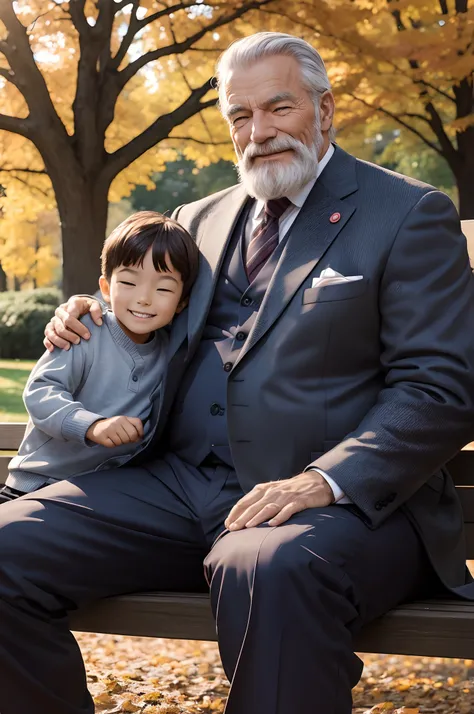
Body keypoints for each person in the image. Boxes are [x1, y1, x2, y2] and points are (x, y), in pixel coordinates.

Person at [1, 31, 474, 714]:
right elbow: (144, 305)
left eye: (279, 109)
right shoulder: (198, 218)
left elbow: (440, 389)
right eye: (240, 117)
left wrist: (323, 480)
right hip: (179, 485)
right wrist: (88, 311)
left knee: (264, 566)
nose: (260, 133)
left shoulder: (405, 213)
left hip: (337, 503)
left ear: (325, 110)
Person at [0, 211, 198, 503]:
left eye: (163, 288)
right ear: (106, 288)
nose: (144, 297)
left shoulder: (170, 352)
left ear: (182, 301)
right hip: (37, 487)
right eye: (129, 283)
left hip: (98, 497)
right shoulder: (83, 331)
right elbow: (40, 393)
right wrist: (92, 425)